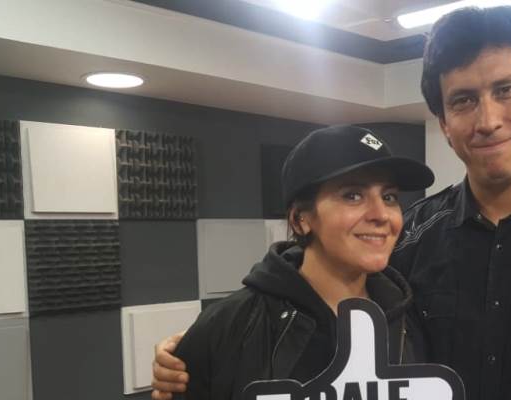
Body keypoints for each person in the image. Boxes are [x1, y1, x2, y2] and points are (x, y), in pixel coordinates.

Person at [153, 6, 511, 400]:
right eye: (464, 100)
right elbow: (326, 313)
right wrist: (202, 351)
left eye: (505, 90)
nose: (488, 119)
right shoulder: (412, 238)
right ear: (444, 123)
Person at [164, 125, 434, 399]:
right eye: (353, 195)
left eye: (389, 197)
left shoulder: (411, 317)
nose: (381, 214)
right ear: (300, 219)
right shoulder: (227, 327)